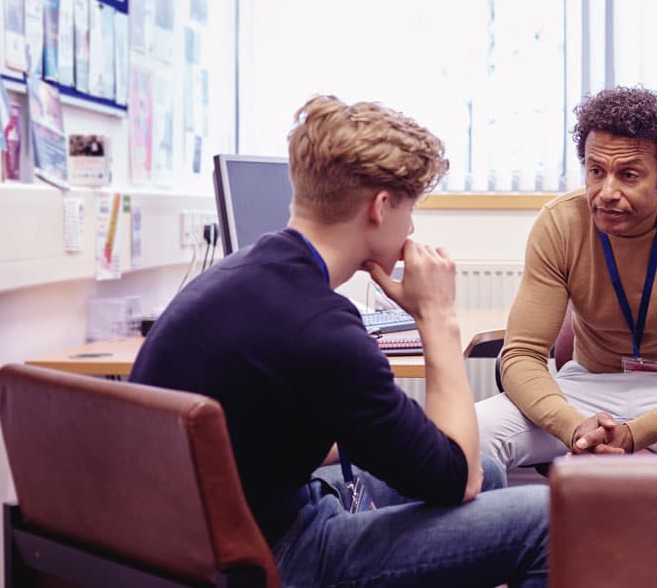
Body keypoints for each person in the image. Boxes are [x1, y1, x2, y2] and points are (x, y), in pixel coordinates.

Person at [130, 94, 548, 587]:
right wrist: (437, 316)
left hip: (191, 545)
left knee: (493, 475)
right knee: (548, 516)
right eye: (410, 210)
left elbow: (274, 435)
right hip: (275, 558)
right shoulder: (323, 330)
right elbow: (459, 480)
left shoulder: (239, 275)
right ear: (381, 207)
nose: (412, 228)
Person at [476, 86, 657, 467]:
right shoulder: (560, 222)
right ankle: (500, 529)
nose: (606, 192)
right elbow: (520, 355)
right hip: (588, 389)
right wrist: (575, 427)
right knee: (470, 434)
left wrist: (636, 434)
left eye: (628, 175)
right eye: (595, 172)